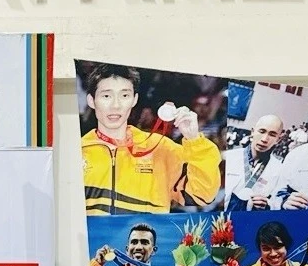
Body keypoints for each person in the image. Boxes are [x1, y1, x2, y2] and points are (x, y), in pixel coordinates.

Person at [80, 63, 222, 215]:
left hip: (143, 237)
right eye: (106, 96)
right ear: (91, 100)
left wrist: (194, 140)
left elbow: (203, 194)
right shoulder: (77, 151)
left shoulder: (159, 148)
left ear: (134, 100)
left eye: (124, 95)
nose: (116, 105)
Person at [224, 114, 285, 211]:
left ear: (278, 139)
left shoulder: (279, 169)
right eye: (262, 131)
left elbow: (278, 202)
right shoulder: (228, 157)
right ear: (253, 132)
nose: (264, 139)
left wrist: (267, 204)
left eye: (272, 134)